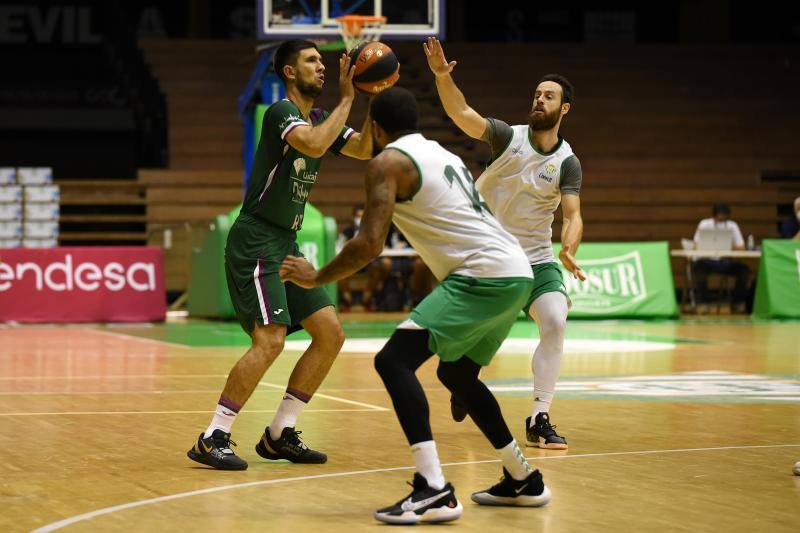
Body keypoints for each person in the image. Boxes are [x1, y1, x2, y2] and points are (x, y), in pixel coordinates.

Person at [280, 87, 551, 525]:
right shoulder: (442, 154)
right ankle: (523, 477)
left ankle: (434, 489)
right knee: (456, 373)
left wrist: (316, 276)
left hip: (482, 273)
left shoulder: (386, 163)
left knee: (393, 361)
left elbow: (369, 245)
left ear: (375, 128)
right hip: (516, 271)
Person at [186, 40, 373, 470]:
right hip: (255, 240)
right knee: (269, 339)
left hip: (284, 244)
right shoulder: (281, 113)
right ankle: (214, 435)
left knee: (330, 334)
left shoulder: (322, 118)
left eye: (323, 62)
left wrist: (370, 96)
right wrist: (348, 98)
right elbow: (310, 143)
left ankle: (278, 434)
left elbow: (363, 148)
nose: (322, 68)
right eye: (311, 61)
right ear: (289, 72)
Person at [424, 37, 585, 450]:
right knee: (469, 343)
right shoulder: (506, 137)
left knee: (555, 320)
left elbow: (573, 215)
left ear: (563, 109)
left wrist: (568, 248)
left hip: (535, 257)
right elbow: (461, 112)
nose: (539, 100)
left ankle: (539, 416)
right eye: (536, 94)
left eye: (548, 96)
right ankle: (463, 379)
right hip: (488, 255)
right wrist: (443, 76)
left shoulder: (567, 161)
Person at [692, 203, 750, 313]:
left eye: (724, 219)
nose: (721, 220)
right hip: (706, 260)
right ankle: (703, 303)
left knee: (743, 270)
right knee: (698, 267)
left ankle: (737, 302)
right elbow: (695, 245)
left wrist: (727, 246)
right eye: (719, 218)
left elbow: (742, 247)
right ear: (714, 216)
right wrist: (708, 246)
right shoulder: (704, 224)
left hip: (725, 261)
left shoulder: (732, 226)